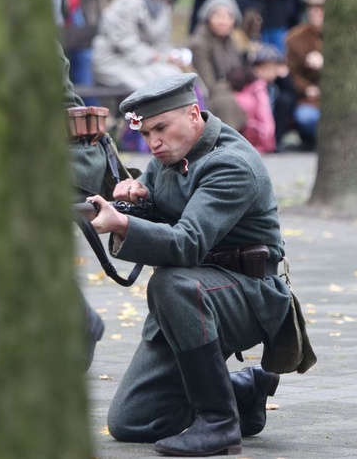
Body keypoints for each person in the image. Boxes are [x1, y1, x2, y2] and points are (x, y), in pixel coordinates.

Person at [83, 73, 316, 456]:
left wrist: (123, 223)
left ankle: (219, 423)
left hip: (246, 292)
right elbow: (164, 215)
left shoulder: (231, 164)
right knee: (133, 423)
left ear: (194, 115)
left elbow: (187, 243)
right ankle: (243, 389)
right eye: (146, 134)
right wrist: (138, 199)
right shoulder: (168, 158)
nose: (153, 143)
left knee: (170, 283)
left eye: (161, 128)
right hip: (195, 297)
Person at [92, 0, 188, 90]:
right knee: (151, 88)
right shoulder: (129, 2)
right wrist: (157, 57)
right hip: (114, 60)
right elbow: (125, 42)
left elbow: (163, 42)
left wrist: (169, 57)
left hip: (143, 62)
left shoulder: (163, 7)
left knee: (174, 75)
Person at [188, 0, 248, 131]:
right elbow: (208, 84)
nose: (223, 20)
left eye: (229, 16)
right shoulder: (200, 43)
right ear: (208, 17)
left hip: (226, 89)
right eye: (218, 15)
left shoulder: (231, 42)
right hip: (205, 96)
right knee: (226, 102)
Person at [285, 0, 325, 151]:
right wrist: (307, 88)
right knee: (306, 117)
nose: (317, 14)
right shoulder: (295, 37)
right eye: (313, 10)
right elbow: (291, 73)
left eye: (321, 9)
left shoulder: (343, 37)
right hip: (311, 98)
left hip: (338, 98)